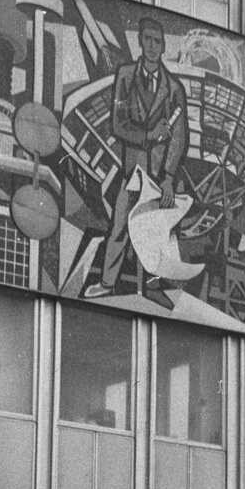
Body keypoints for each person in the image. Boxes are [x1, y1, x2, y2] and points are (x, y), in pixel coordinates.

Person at [85, 15, 189, 306]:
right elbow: (117, 124)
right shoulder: (126, 77)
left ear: (164, 45)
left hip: (160, 177)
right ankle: (108, 283)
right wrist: (149, 134)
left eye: (158, 41)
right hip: (133, 173)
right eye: (148, 40)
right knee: (119, 226)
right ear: (141, 42)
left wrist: (168, 178)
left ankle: (156, 288)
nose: (153, 46)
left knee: (160, 232)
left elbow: (178, 137)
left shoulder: (175, 89)